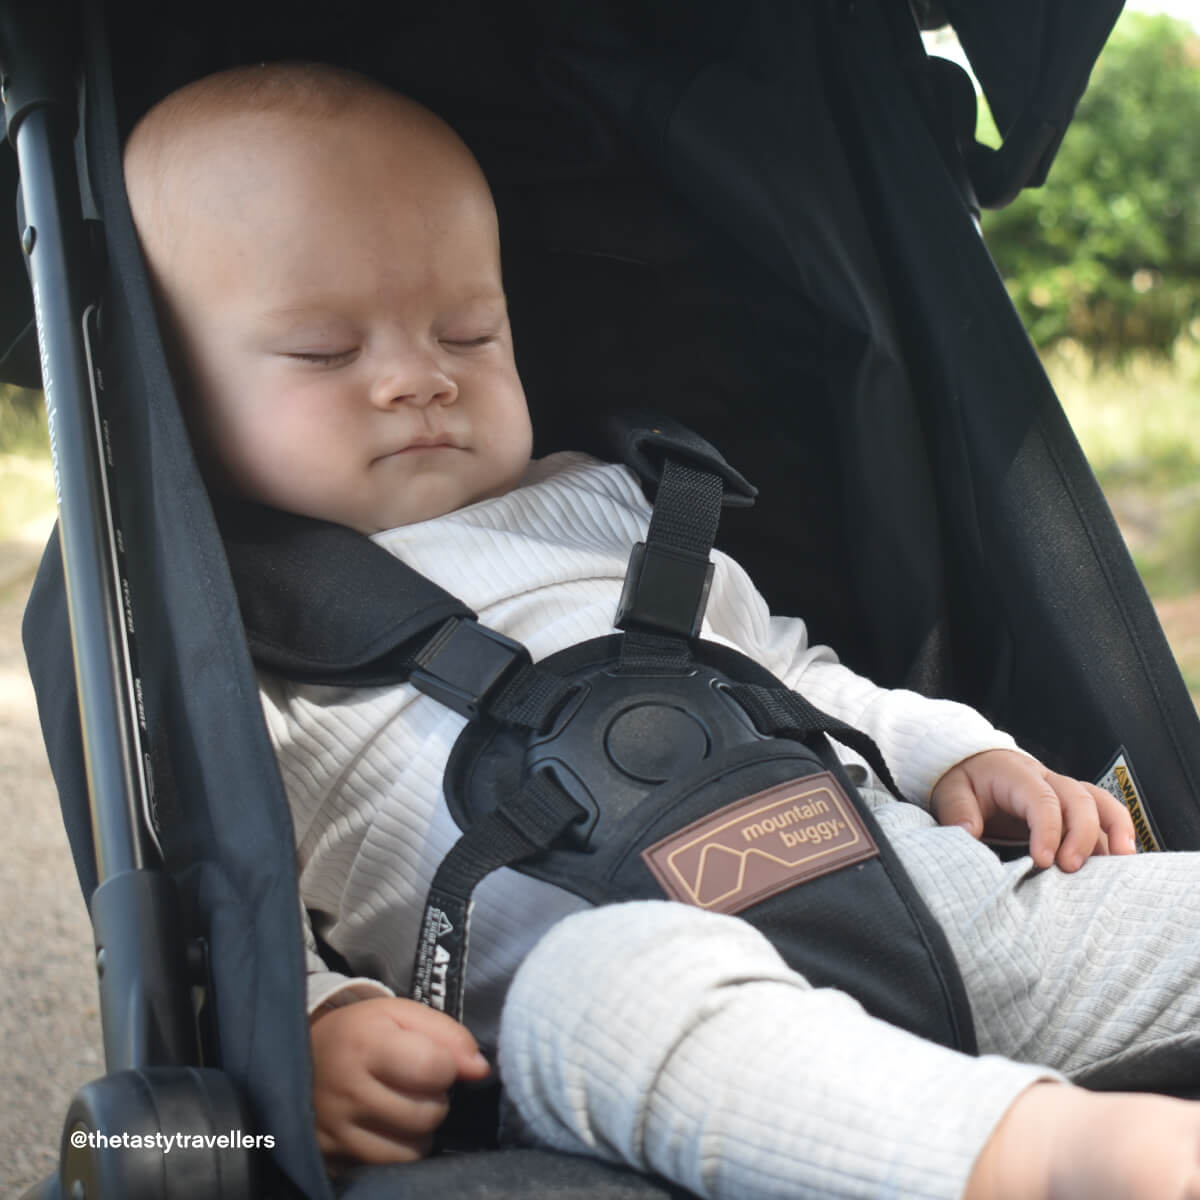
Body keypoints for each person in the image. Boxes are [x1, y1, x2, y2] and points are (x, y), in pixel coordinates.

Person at [122, 61, 1200, 1200]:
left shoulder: (619, 507)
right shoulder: (242, 650)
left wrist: (953, 752)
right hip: (626, 1022)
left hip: (929, 914)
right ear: (169, 388)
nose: (418, 379)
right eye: (326, 352)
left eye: (470, 333)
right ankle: (1052, 1159)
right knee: (606, 985)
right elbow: (228, 912)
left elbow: (788, 670)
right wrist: (318, 1020)